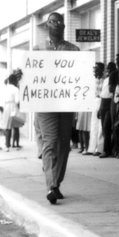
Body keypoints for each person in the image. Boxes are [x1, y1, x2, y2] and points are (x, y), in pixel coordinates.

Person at [33, 12, 79, 205]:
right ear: (47, 25)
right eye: (53, 22)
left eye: (60, 22)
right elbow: (30, 75)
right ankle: (51, 186)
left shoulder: (73, 50)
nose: (57, 25)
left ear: (63, 26)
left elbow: (79, 74)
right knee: (50, 143)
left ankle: (56, 182)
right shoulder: (37, 50)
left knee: (63, 146)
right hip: (45, 104)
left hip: (65, 104)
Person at [0, 73, 20, 151]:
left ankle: (7, 145)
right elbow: (17, 101)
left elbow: (1, 100)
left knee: (7, 127)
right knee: (16, 126)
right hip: (13, 106)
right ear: (15, 81)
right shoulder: (16, 89)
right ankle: (16, 144)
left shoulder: (5, 88)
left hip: (6, 106)